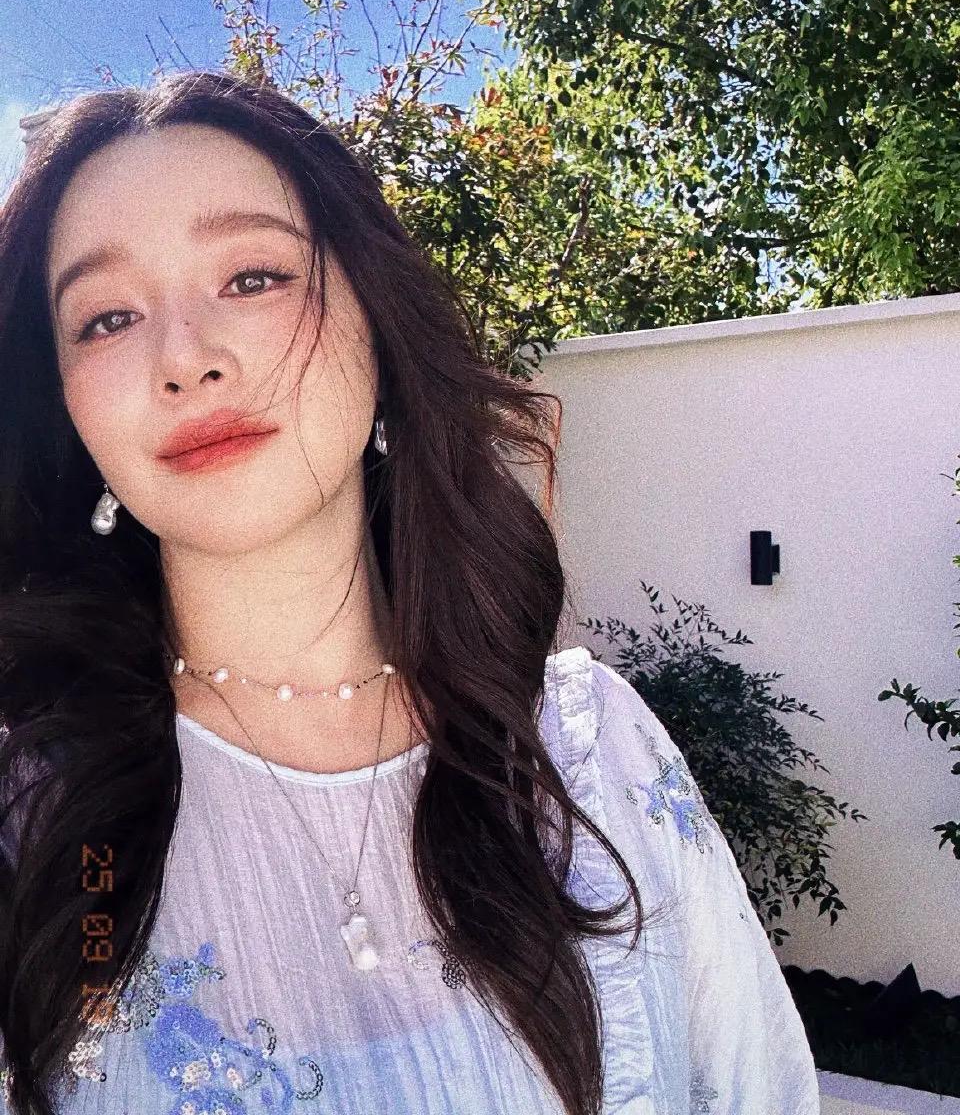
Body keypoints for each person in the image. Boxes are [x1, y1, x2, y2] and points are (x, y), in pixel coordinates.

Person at [0, 70, 820, 1115]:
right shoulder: (32, 818)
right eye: (107, 317)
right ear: (65, 404)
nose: (185, 359)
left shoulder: (592, 757)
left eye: (253, 277)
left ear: (377, 326)